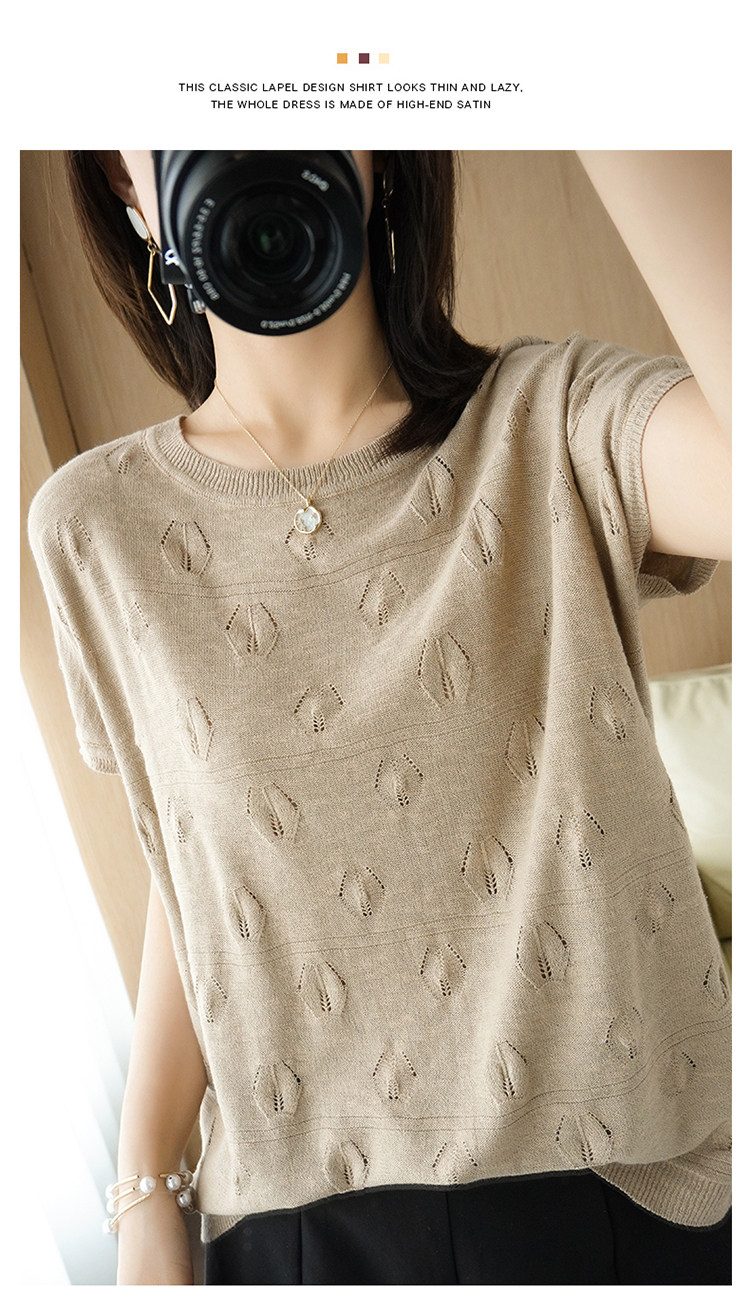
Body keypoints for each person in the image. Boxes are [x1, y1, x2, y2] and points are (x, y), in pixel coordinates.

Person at [28, 150, 731, 1285]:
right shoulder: (94, 527)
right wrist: (144, 1179)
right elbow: (199, 858)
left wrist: (611, 94)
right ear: (120, 179)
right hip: (300, 1226)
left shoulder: (552, 419)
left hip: (633, 1191)